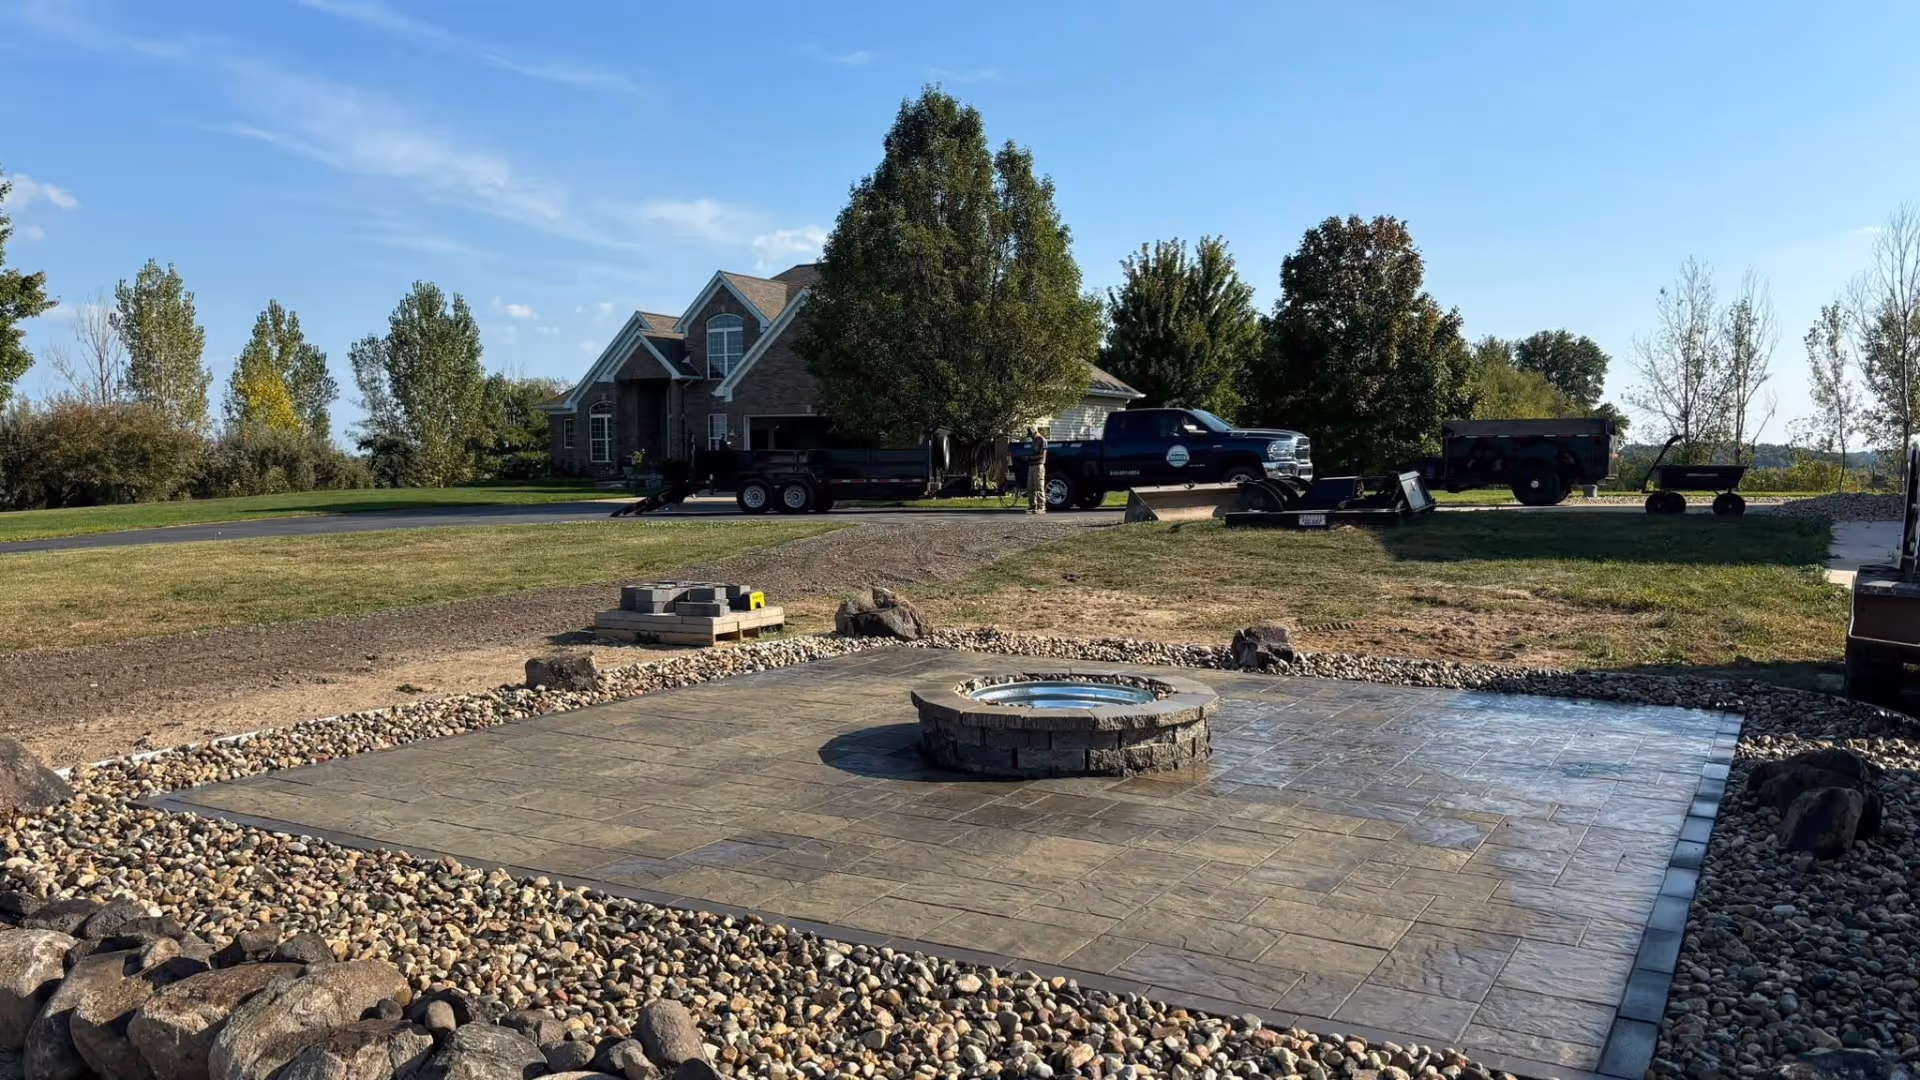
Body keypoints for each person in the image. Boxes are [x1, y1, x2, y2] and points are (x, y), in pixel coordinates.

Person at [1027, 427, 1049, 514]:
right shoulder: (1034, 441)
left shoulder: (1043, 441)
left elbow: (1042, 456)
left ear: (1035, 433)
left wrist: (1029, 457)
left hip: (1039, 465)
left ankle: (1041, 507)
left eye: (1032, 435)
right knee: (1030, 487)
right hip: (1031, 465)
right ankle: (1032, 505)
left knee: (1039, 486)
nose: (1031, 437)